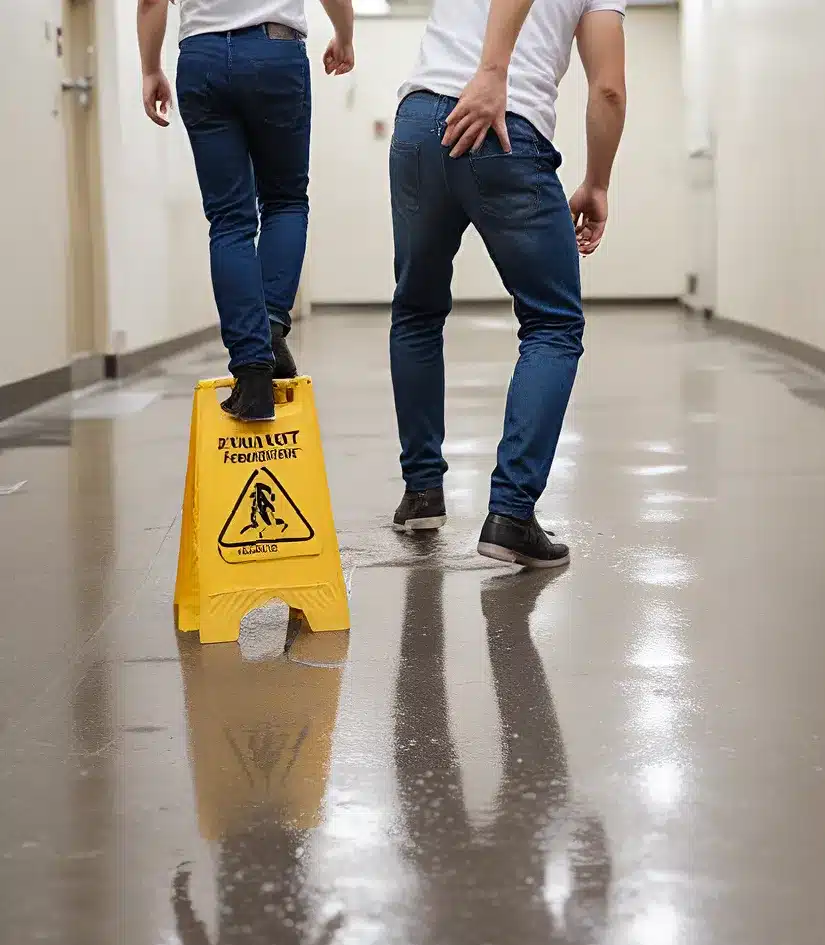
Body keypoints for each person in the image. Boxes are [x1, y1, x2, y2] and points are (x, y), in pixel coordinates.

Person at [388, 0, 627, 568]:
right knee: (553, 323)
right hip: (505, 130)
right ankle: (511, 515)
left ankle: (422, 493)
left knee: (416, 311)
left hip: (420, 123)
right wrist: (597, 181)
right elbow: (609, 90)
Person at [137, 0, 355, 422]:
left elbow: (150, 3)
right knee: (285, 202)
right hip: (275, 53)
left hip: (201, 58)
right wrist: (344, 35)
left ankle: (252, 375)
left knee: (229, 221)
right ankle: (271, 327)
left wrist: (150, 68)